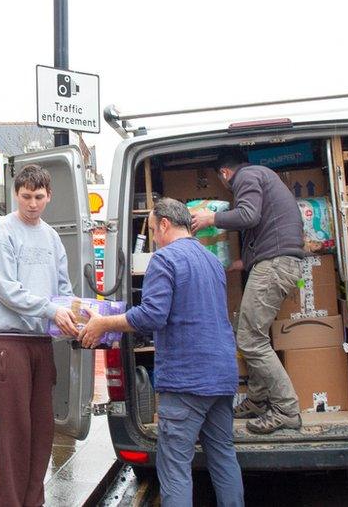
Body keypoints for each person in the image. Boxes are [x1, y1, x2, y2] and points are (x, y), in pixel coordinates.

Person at [80, 198, 244, 507]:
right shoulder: (211, 261)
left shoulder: (165, 259)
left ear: (166, 225)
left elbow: (152, 316)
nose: (154, 237)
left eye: (154, 230)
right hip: (222, 376)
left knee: (175, 468)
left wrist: (104, 323)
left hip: (186, 381)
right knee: (223, 457)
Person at [0, 164, 78, 507]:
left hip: (41, 342)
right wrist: (52, 311)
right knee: (11, 431)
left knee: (41, 430)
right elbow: (7, 290)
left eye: (38, 197)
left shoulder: (52, 237)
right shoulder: (0, 233)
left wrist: (75, 316)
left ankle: (33, 501)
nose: (32, 203)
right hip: (8, 342)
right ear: (15, 194)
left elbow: (63, 288)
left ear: (49, 196)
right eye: (25, 196)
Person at [190, 148, 306, 434]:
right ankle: (257, 399)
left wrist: (211, 219)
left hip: (275, 265)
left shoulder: (247, 176)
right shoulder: (262, 177)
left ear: (225, 173)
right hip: (274, 262)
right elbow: (266, 225)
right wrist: (242, 262)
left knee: (250, 339)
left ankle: (287, 409)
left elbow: (249, 215)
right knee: (250, 331)